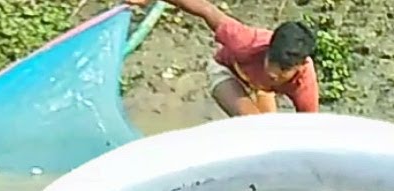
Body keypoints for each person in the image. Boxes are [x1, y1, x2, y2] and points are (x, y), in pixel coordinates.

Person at [129, 0, 320, 117]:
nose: (272, 72)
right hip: (227, 70)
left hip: (261, 87)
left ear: (300, 66)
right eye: (271, 62)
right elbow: (206, 9)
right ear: (268, 47)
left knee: (268, 132)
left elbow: (310, 127)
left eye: (283, 70)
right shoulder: (246, 41)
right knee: (255, 126)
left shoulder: (304, 82)